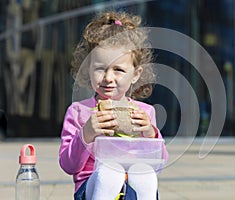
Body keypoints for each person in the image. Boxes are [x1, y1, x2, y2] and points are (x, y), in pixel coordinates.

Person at [59, 11, 168, 200]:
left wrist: (150, 133)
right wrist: (87, 133)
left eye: (118, 70)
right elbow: (69, 166)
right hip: (92, 188)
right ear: (88, 69)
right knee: (111, 171)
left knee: (145, 173)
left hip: (133, 191)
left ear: (135, 74)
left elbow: (158, 165)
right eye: (100, 68)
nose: (108, 78)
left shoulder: (145, 112)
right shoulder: (78, 112)